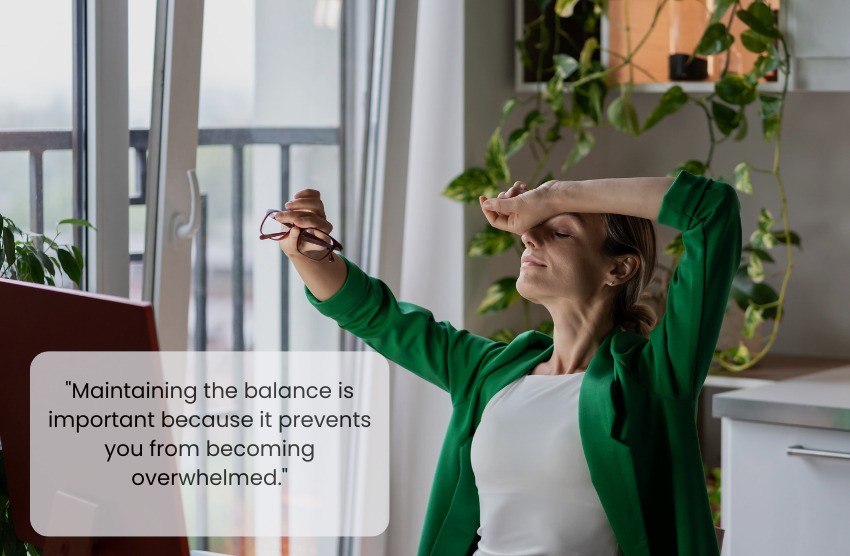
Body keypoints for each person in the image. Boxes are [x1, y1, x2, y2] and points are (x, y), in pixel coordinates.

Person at [267, 170, 741, 555]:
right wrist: (309, 251)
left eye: (558, 230)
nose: (529, 239)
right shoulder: (488, 372)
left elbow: (712, 210)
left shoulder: (652, 381)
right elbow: (375, 315)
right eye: (533, 230)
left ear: (619, 268)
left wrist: (553, 195)